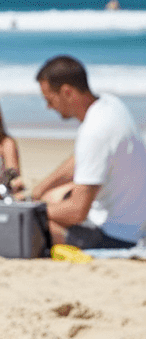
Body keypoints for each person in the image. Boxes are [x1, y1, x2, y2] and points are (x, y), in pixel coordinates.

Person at [30, 56, 146, 249]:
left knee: (28, 223)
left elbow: (77, 212)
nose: (48, 107)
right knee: (52, 195)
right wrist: (41, 189)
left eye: (50, 100)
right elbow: (80, 159)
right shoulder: (110, 104)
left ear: (67, 92)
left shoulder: (95, 131)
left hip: (117, 236)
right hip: (136, 218)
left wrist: (31, 209)